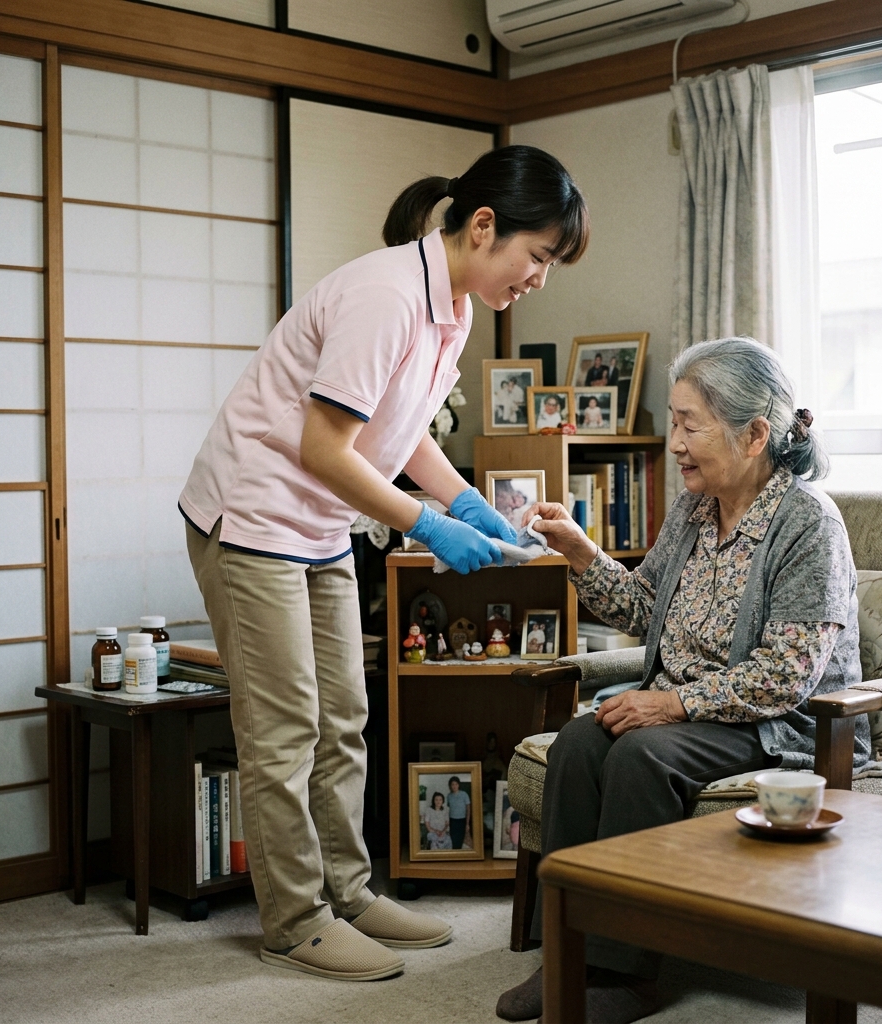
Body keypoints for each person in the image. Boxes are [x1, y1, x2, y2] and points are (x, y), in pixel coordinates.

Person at [180, 145, 589, 983]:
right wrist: (431, 528)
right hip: (254, 513)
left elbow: (397, 442)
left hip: (321, 523)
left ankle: (349, 891)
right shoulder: (386, 296)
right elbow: (325, 446)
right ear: (485, 227)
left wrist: (467, 499)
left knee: (345, 717)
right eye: (539, 256)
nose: (540, 278)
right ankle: (294, 920)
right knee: (285, 725)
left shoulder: (457, 307)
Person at [497, 337, 866, 1024]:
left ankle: (623, 972)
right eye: (675, 422)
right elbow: (643, 608)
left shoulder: (807, 523)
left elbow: (786, 677)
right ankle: (569, 956)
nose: (677, 444)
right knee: (579, 745)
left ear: (755, 434)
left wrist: (673, 702)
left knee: (642, 755)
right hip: (686, 709)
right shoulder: (694, 510)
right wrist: (582, 553)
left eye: (691, 424)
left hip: (772, 724)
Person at [446, 777, 472, 849]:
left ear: (458, 785)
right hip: (452, 821)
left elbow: (468, 809)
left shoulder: (464, 794)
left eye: (456, 784)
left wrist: (467, 824)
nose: (454, 786)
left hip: (462, 821)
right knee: (453, 840)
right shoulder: (449, 796)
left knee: (460, 840)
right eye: (452, 784)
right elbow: (447, 809)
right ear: (450, 786)